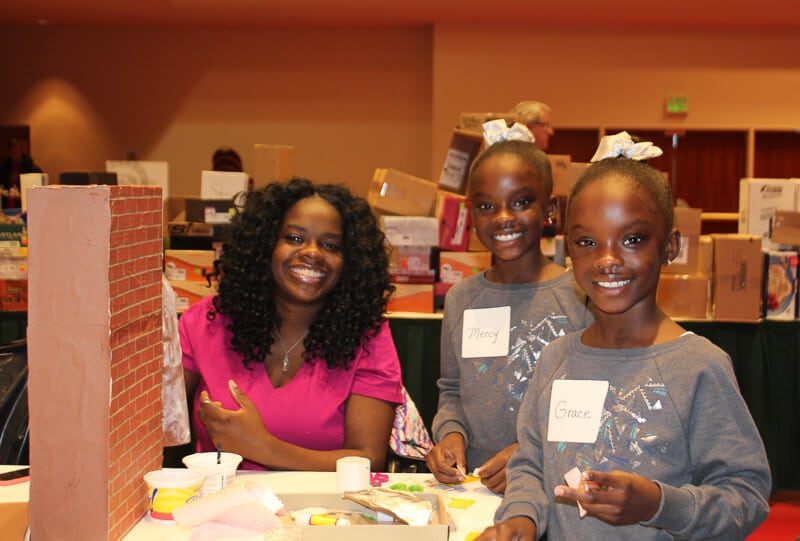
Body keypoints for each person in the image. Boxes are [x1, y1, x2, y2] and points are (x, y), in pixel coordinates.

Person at [477, 143, 771, 540]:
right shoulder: (555, 359)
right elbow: (530, 466)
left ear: (669, 247)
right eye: (587, 242)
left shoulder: (699, 365)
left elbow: (746, 496)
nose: (607, 259)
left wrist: (657, 503)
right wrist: (521, 520)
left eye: (631, 240)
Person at [180, 177, 404, 471]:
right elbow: (151, 422)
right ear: (265, 245)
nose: (312, 252)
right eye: (295, 238)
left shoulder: (367, 337)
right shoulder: (205, 323)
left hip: (322, 513)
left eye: (330, 245)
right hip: (219, 508)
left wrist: (262, 447)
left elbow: (367, 458)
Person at [426, 125, 593, 493]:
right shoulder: (461, 299)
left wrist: (532, 454)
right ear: (471, 215)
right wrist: (451, 435)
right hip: (475, 487)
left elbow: (592, 405)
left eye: (520, 202)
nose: (503, 217)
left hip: (553, 485)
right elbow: (452, 390)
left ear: (549, 209)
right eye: (487, 206)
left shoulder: (582, 297)